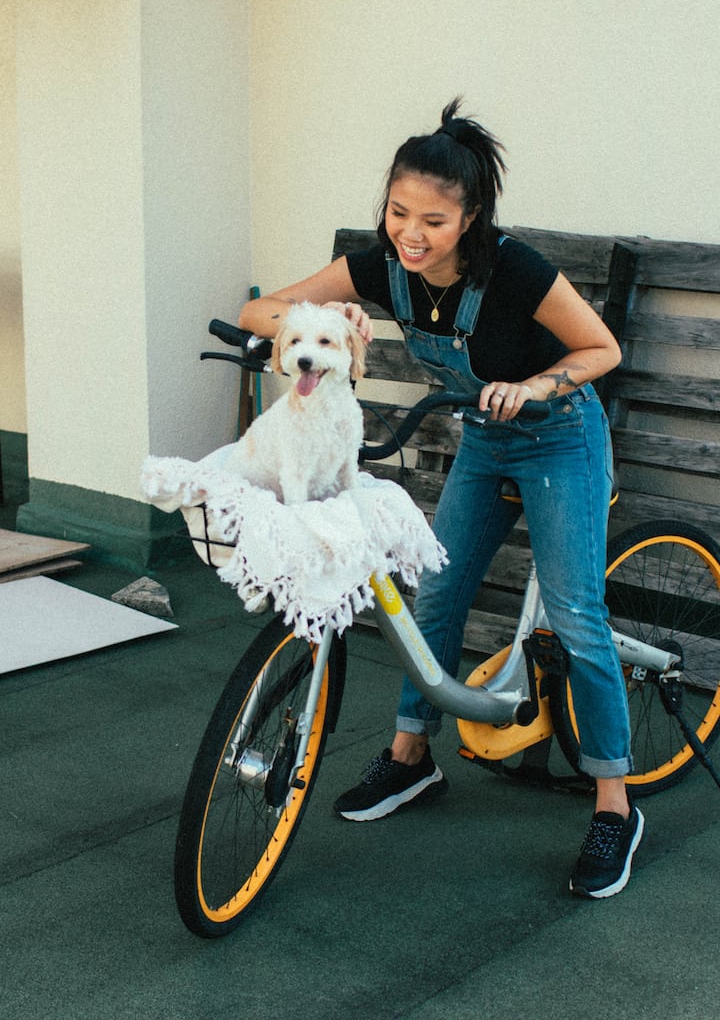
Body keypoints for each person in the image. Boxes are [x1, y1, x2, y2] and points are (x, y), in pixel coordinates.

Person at [239, 99, 645, 899]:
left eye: (434, 218)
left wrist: (531, 384)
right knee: (437, 597)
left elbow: (603, 347)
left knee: (575, 617)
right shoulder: (378, 268)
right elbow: (262, 308)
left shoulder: (518, 269)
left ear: (470, 218)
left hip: (560, 434)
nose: (412, 234)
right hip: (485, 438)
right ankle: (411, 758)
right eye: (398, 213)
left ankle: (615, 805)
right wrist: (326, 318)